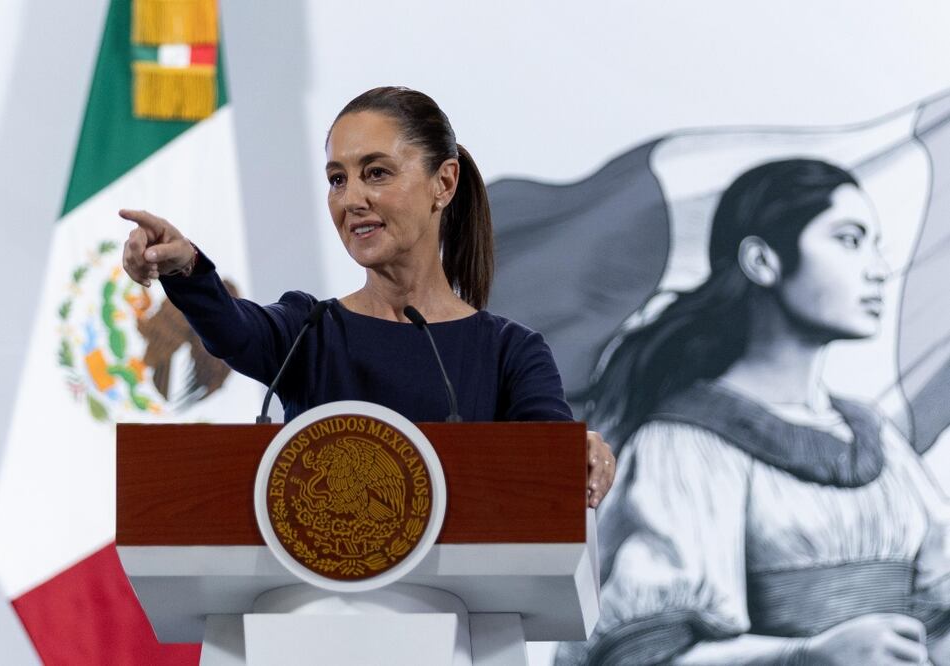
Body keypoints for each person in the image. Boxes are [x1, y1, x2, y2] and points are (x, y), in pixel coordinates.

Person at [119, 86, 616, 507]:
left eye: (376, 172)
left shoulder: (510, 353)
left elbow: (549, 475)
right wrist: (185, 267)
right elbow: (230, 326)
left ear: (443, 183)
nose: (351, 198)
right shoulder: (308, 332)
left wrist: (575, 452)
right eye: (338, 179)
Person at [554, 159, 950, 665]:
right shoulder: (686, 443)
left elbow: (938, 614)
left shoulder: (875, 438)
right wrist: (806, 656)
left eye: (876, 245)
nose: (877, 269)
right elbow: (642, 652)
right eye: (849, 240)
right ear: (763, 260)